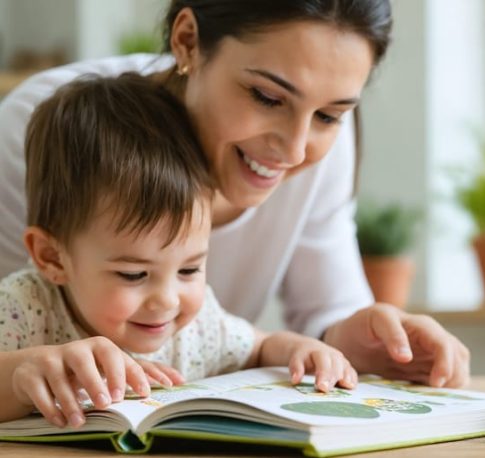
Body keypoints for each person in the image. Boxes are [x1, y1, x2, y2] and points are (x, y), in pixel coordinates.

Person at [0, 0, 469, 388]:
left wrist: (366, 341)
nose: (295, 148)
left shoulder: (320, 149)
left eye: (329, 115)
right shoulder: (51, 131)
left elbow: (323, 312)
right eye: (267, 97)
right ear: (187, 41)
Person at [0, 74, 357, 428]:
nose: (167, 301)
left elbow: (260, 346)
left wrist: (300, 350)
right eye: (133, 274)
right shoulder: (24, 309)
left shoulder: (198, 327)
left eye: (189, 270)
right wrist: (19, 375)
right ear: (51, 257)